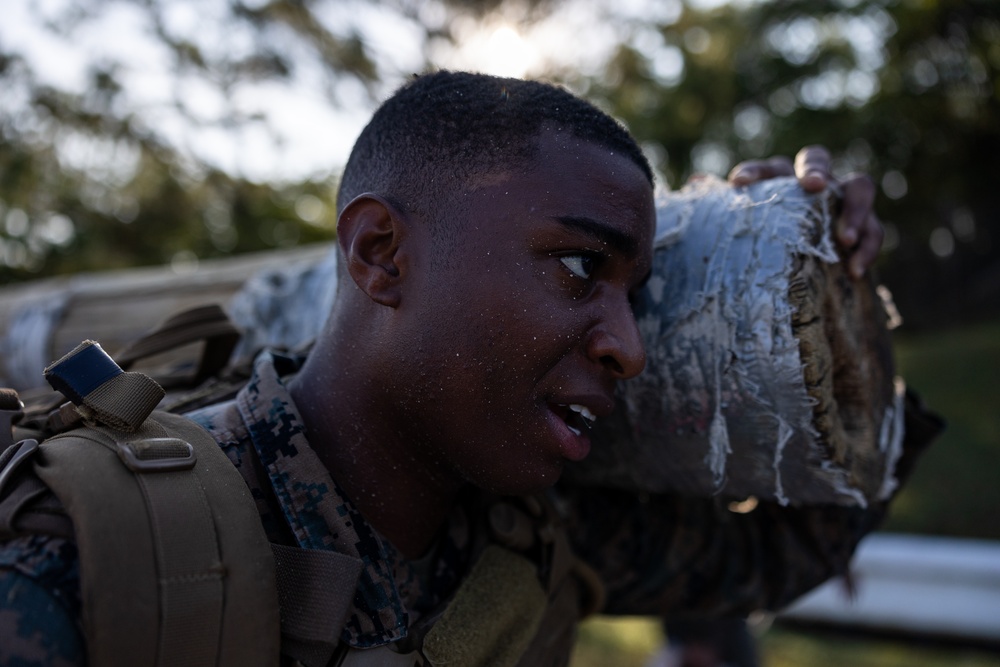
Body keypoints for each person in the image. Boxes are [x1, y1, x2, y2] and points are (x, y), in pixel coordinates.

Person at [0, 71, 910, 666]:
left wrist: (810, 296)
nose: (627, 346)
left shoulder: (524, 538)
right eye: (583, 266)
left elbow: (771, 555)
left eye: (638, 293)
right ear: (382, 252)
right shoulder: (94, 560)